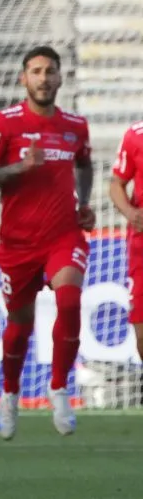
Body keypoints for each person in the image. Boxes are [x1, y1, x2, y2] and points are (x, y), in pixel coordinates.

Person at [0, 46, 93, 440]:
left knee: (69, 301)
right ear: (23, 78)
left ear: (60, 78)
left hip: (63, 235)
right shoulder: (5, 123)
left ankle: (59, 388)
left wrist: (84, 203)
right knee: (19, 325)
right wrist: (18, 168)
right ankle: (10, 393)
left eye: (50, 70)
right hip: (18, 243)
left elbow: (84, 163)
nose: (44, 78)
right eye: (36, 71)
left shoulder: (75, 125)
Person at [110, 120, 143, 361]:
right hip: (141, 247)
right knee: (141, 329)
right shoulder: (135, 135)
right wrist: (131, 213)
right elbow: (116, 184)